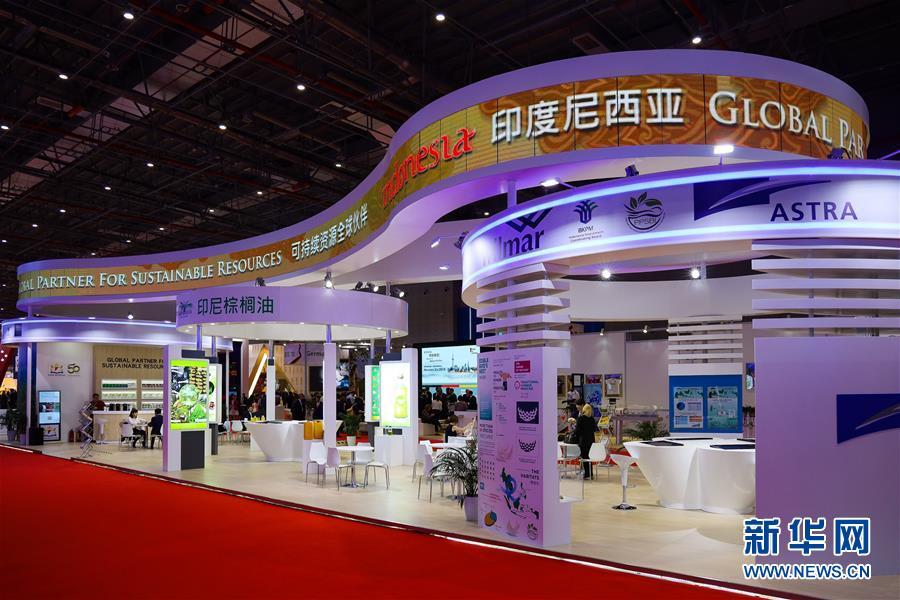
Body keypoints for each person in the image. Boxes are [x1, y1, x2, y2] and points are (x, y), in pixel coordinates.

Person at [573, 403, 599, 479]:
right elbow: (594, 429)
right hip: (591, 441)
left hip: (583, 441)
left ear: (584, 409)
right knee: (589, 458)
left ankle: (587, 474)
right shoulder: (592, 419)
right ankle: (590, 473)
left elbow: (577, 431)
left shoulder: (580, 418)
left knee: (584, 457)